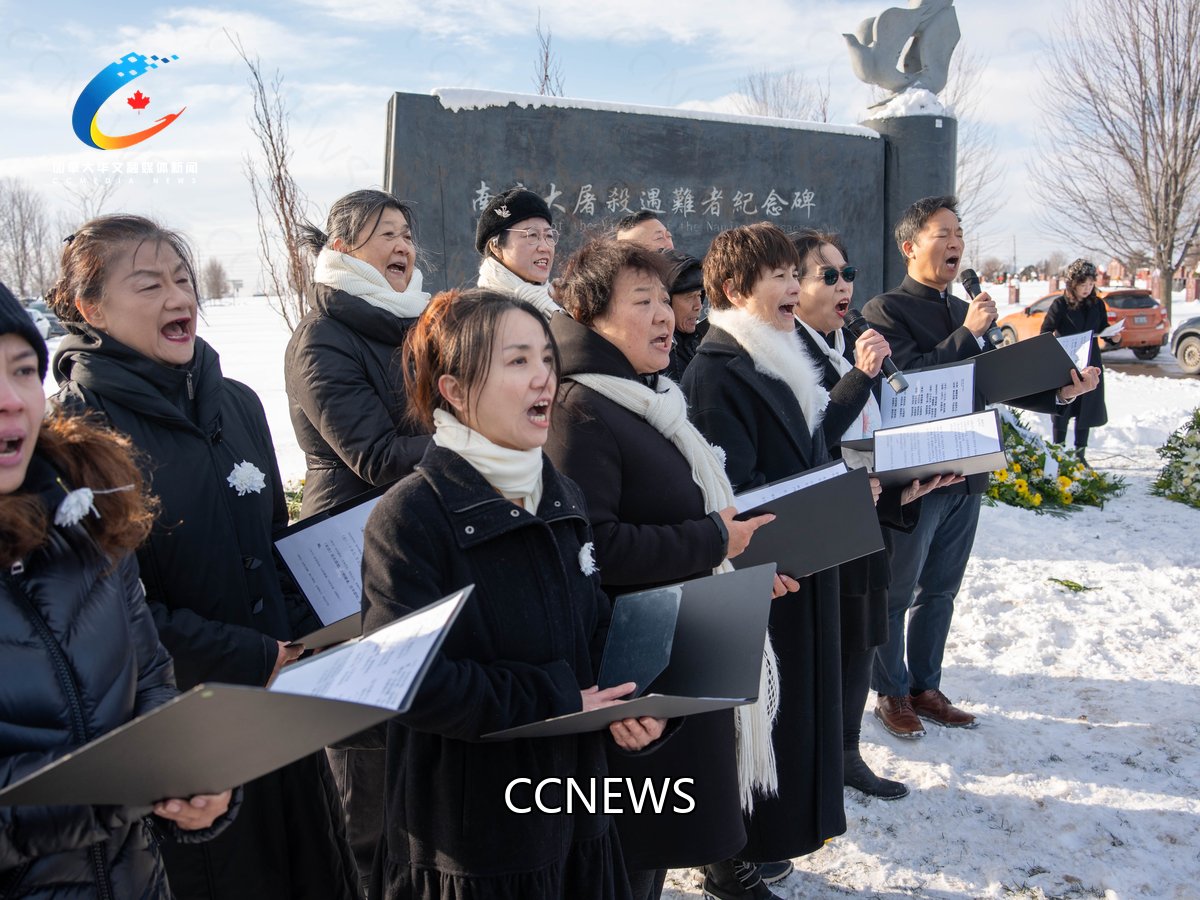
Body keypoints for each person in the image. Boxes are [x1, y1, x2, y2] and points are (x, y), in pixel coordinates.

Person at [48, 215, 359, 900]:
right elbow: (101, 620)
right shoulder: (76, 434)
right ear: (90, 308)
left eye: (184, 279)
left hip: (280, 714)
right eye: (149, 284)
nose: (178, 297)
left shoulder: (238, 404)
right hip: (181, 742)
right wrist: (249, 655)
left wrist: (333, 620)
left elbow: (269, 547)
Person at [361, 288, 666, 900]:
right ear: (454, 390)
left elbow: (592, 625)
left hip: (578, 819)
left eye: (547, 359)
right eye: (518, 360)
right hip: (476, 847)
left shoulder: (562, 494)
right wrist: (557, 699)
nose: (543, 377)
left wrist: (633, 699)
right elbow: (408, 683)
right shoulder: (412, 516)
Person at [546, 240, 793, 900]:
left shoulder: (649, 399)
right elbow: (592, 549)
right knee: (628, 855)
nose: (665, 314)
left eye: (665, 299)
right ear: (592, 314)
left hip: (680, 638)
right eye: (642, 301)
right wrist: (712, 542)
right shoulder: (580, 410)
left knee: (654, 850)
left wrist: (736, 567)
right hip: (632, 663)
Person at [0, 281, 235, 898]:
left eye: (22, 370)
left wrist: (187, 775)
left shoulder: (87, 522)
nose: (11, 401)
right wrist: (120, 791)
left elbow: (151, 681)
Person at [861, 196, 1099, 740]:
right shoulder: (885, 311)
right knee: (898, 591)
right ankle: (891, 691)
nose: (956, 243)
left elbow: (995, 380)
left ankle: (926, 686)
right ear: (909, 246)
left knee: (941, 589)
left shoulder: (965, 309)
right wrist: (968, 333)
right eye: (942, 233)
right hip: (916, 476)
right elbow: (909, 381)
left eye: (959, 233)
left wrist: (1062, 392)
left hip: (969, 467)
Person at [682, 222, 845, 879]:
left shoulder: (781, 354)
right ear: (732, 289)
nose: (794, 287)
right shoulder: (717, 371)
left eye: (794, 273)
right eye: (778, 276)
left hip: (803, 562)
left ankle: (778, 832)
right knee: (763, 718)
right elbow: (730, 490)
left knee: (798, 713)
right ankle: (746, 846)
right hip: (765, 573)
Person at [288, 189, 433, 887]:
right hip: (348, 569)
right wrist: (476, 440)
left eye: (406, 232)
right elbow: (374, 456)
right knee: (366, 778)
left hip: (415, 551)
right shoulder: (322, 338)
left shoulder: (416, 327)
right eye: (386, 234)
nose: (403, 246)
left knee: (416, 764)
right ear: (343, 249)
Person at [789, 230, 956, 801]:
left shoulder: (847, 343)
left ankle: (846, 752)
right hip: (821, 530)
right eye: (828, 275)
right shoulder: (791, 355)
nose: (845, 285)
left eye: (849, 273)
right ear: (792, 286)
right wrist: (860, 375)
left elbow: (872, 443)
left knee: (861, 643)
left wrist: (905, 489)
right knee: (827, 654)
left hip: (865, 521)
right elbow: (812, 443)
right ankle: (815, 765)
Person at [1041, 258, 1108, 464]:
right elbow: (1045, 332)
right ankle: (1058, 452)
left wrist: (1114, 336)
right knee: (1063, 407)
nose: (1087, 289)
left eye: (1091, 284)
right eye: (1083, 284)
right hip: (1067, 362)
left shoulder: (1097, 304)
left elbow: (1103, 328)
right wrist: (1055, 346)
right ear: (1073, 284)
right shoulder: (1060, 304)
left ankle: (1080, 456)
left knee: (1086, 408)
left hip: (1091, 362)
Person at [476, 187, 563, 317]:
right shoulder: (484, 313)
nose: (545, 247)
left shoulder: (558, 302)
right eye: (532, 235)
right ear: (496, 247)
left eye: (549, 236)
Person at [662, 249, 708, 382]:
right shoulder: (654, 356)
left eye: (699, 295)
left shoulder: (704, 342)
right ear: (666, 301)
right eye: (689, 297)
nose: (698, 306)